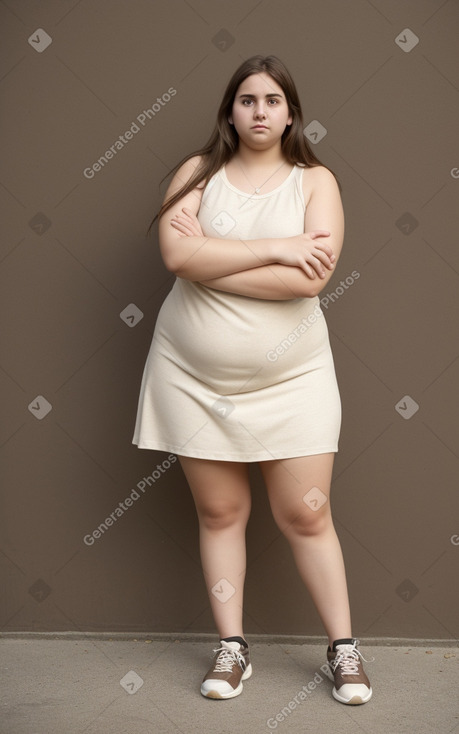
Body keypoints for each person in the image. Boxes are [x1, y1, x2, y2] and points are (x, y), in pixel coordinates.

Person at [132, 55, 372, 706]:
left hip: (292, 379)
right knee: (219, 511)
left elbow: (311, 279)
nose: (259, 111)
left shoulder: (314, 181)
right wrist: (274, 248)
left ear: (290, 112)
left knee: (304, 512)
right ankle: (232, 650)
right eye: (246, 99)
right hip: (192, 376)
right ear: (229, 111)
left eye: (271, 100)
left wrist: (208, 260)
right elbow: (176, 255)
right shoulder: (195, 173)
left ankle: (343, 651)